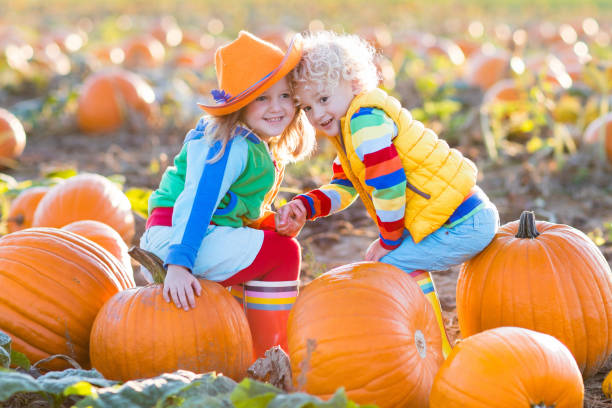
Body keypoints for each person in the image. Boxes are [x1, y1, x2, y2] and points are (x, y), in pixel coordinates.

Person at [278, 30, 499, 358]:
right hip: (458, 216)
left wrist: (390, 240)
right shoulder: (350, 131)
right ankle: (431, 344)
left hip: (463, 221)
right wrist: (307, 205)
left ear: (353, 83)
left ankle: (437, 353)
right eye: (307, 107)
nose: (317, 115)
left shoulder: (365, 122)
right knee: (385, 258)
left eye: (323, 99)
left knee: (392, 262)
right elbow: (344, 187)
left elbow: (389, 184)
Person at [140, 31, 315, 359]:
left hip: (189, 238)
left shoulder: (250, 141)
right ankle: (268, 353)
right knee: (284, 254)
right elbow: (198, 201)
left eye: (284, 96)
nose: (276, 107)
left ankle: (238, 342)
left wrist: (267, 223)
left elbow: (228, 210)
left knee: (263, 247)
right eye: (262, 98)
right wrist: (178, 263)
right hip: (175, 242)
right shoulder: (229, 143)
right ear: (240, 105)